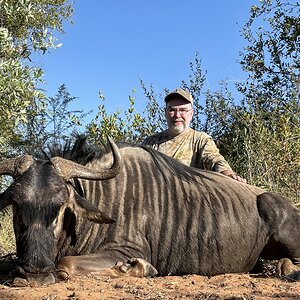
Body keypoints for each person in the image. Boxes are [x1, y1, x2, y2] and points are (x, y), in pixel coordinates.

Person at [143, 88, 246, 183]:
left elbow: (214, 160)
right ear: (165, 113)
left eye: (182, 110)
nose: (177, 115)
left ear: (191, 113)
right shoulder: (150, 143)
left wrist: (228, 174)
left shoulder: (200, 139)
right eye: (172, 110)